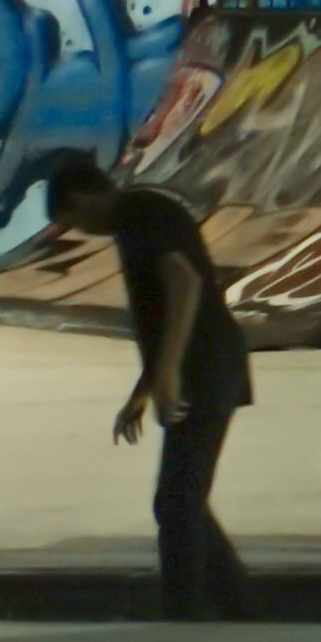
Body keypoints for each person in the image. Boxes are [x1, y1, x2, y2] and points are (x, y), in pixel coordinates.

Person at [34, 145, 253, 616]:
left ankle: (189, 609)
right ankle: (236, 604)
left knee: (176, 499)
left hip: (205, 365)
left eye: (74, 221)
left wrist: (170, 372)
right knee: (183, 496)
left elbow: (184, 281)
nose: (82, 233)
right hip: (207, 363)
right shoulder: (140, 215)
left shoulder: (136, 214)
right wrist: (144, 389)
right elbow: (160, 314)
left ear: (82, 198)